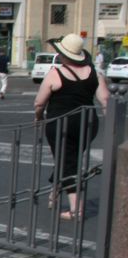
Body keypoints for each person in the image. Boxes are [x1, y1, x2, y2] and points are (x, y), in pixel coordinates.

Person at [33, 33, 110, 220]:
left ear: (63, 54)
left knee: (68, 161)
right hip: (87, 123)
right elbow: (106, 99)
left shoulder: (55, 73)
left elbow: (39, 103)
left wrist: (38, 117)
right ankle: (56, 190)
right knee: (69, 158)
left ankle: (76, 209)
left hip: (60, 123)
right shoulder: (95, 74)